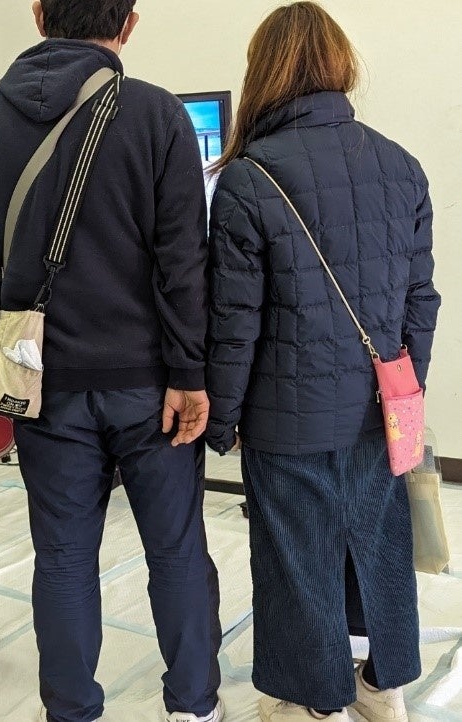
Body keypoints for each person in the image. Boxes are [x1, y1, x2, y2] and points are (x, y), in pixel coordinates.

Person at [0, 2, 223, 721]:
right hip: (150, 385)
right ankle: (193, 705)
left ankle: (70, 710)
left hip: (39, 382)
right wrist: (190, 373)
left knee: (63, 558)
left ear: (39, 14)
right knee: (176, 550)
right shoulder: (157, 114)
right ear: (128, 24)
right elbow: (183, 263)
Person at [206, 3, 441, 722]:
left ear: (265, 73)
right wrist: (406, 393)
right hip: (381, 412)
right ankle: (383, 685)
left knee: (297, 562)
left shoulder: (248, 179)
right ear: (340, 66)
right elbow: (421, 300)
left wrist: (223, 419)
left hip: (285, 421)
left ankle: (320, 701)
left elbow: (235, 324)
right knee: (378, 547)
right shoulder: (402, 166)